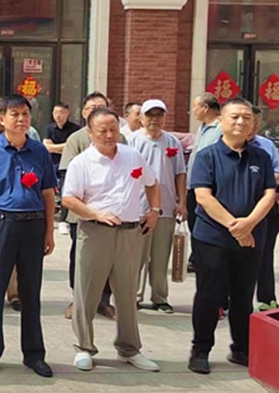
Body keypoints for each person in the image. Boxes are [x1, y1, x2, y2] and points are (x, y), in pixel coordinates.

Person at [62, 107, 163, 372]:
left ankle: (129, 349)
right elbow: (69, 199)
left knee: (128, 293)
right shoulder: (82, 162)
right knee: (87, 291)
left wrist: (154, 210)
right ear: (90, 132)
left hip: (130, 232)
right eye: (103, 130)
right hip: (95, 231)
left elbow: (152, 183)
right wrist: (95, 213)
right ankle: (84, 347)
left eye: (113, 129)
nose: (109, 135)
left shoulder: (132, 155)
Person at [187, 97, 277, 374]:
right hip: (213, 238)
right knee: (209, 296)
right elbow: (203, 197)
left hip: (251, 238)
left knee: (243, 296)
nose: (241, 122)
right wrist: (235, 227)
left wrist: (248, 224)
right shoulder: (207, 156)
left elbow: (269, 194)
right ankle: (200, 350)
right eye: (235, 117)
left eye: (246, 118)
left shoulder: (261, 157)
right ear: (221, 121)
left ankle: (242, 349)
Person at [0, 95, 56, 378]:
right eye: (15, 114)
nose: (21, 119)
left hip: (33, 224)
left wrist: (49, 231)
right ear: (1, 119)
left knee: (31, 292)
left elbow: (48, 193)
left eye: (25, 114)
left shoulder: (39, 151)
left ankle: (34, 354)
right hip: (1, 223)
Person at [60, 92, 118, 321]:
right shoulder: (76, 139)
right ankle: (79, 299)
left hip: (112, 213)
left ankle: (103, 300)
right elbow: (66, 175)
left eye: (101, 106)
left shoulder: (120, 139)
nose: (96, 110)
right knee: (81, 257)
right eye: (91, 107)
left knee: (109, 259)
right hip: (81, 213)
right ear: (84, 113)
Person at [128, 99, 187, 313]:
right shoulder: (132, 141)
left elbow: (180, 173)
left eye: (159, 115)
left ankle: (160, 297)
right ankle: (134, 296)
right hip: (139, 208)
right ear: (141, 118)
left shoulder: (172, 142)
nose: (154, 119)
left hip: (167, 207)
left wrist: (182, 202)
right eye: (150, 115)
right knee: (137, 256)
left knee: (161, 255)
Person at [248, 106, 279, 310]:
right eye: (249, 120)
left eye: (256, 121)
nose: (252, 125)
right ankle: (225, 300)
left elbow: (278, 172)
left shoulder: (266, 145)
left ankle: (266, 299)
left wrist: (259, 182)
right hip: (237, 208)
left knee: (265, 253)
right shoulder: (225, 146)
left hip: (266, 206)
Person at [186, 92, 222, 237]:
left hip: (209, 188)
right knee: (193, 226)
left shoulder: (221, 128)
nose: (192, 110)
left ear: (205, 107)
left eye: (195, 106)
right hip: (193, 187)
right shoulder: (202, 128)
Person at [43, 102, 81, 236]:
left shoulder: (75, 129)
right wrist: (65, 146)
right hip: (52, 163)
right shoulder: (49, 128)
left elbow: (73, 147)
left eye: (61, 113)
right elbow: (47, 147)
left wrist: (56, 147)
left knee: (65, 190)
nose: (58, 116)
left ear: (67, 113)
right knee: (50, 191)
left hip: (68, 164)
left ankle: (63, 220)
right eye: (55, 113)